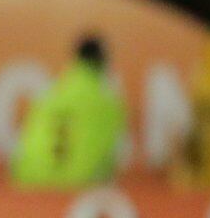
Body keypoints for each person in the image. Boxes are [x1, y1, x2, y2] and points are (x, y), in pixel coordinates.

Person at [11, 34, 126, 189]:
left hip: (29, 184)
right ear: (104, 62)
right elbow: (108, 163)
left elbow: (23, 146)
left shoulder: (49, 95)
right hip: (74, 190)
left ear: (76, 59)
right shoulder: (109, 105)